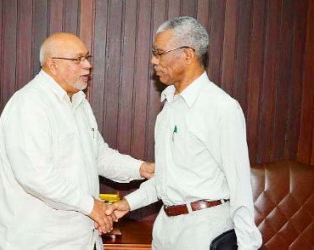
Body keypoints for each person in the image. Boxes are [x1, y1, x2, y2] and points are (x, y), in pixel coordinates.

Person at [0, 32, 154, 250]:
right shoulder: (29, 104)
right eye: (77, 59)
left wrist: (141, 169)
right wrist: (91, 206)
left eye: (87, 58)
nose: (87, 66)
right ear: (52, 64)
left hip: (79, 239)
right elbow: (36, 176)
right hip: (34, 241)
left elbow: (98, 155)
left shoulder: (79, 102)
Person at [106, 16, 262, 250]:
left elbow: (240, 186)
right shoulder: (168, 106)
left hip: (204, 231)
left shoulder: (221, 108)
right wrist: (128, 203)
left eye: (159, 53)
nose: (152, 60)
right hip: (165, 229)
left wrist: (248, 246)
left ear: (187, 55)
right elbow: (167, 179)